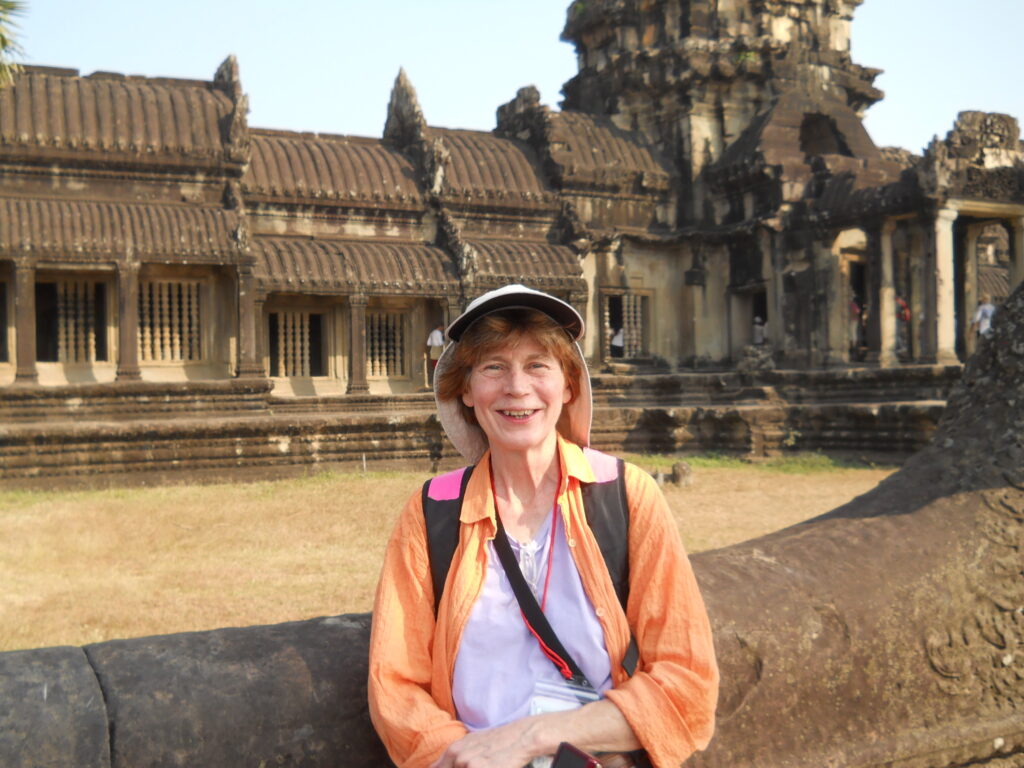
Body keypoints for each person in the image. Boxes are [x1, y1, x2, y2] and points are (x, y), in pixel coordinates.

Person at [369, 284, 718, 768]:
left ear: (568, 385)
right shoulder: (431, 512)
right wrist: (463, 756)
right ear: (466, 390)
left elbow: (687, 681)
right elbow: (396, 685)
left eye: (538, 365)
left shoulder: (624, 495)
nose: (517, 387)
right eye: (494, 366)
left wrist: (534, 737)